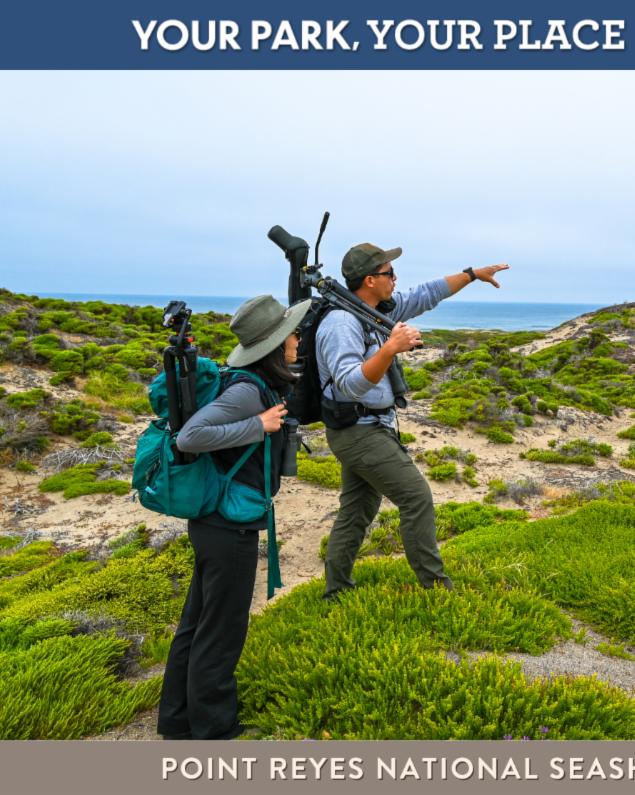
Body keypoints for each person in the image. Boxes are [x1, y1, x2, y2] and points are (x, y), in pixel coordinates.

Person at [156, 293, 309, 741]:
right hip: (227, 526)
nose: (297, 338)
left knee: (197, 624)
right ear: (275, 344)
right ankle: (216, 731)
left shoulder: (251, 383)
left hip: (213, 521)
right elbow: (191, 436)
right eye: (291, 333)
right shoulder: (246, 390)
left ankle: (178, 720)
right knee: (222, 632)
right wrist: (258, 426)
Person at [319, 243, 508, 599]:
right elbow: (349, 384)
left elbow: (426, 294)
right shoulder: (342, 322)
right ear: (370, 280)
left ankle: (336, 592)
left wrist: (471, 275)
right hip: (357, 431)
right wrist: (390, 348)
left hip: (368, 428)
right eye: (390, 273)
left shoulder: (373, 308)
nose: (396, 278)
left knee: (358, 510)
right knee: (416, 497)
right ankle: (437, 590)